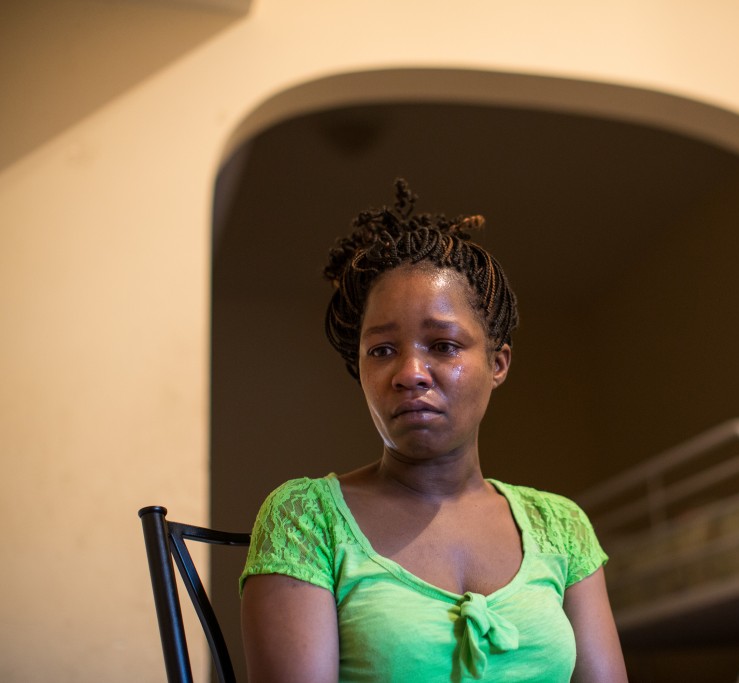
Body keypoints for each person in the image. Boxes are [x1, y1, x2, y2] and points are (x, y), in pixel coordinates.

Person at [239, 180, 627, 683]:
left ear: (497, 362)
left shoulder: (561, 526)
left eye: (443, 345)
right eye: (381, 350)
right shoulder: (305, 520)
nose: (411, 373)